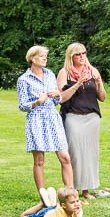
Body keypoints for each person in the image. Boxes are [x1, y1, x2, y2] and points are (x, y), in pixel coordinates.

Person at [17, 46, 74, 195]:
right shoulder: (24, 79)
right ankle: (44, 197)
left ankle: (71, 194)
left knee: (65, 157)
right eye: (42, 56)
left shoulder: (50, 74)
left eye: (45, 56)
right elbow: (22, 105)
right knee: (39, 160)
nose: (45, 58)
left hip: (53, 118)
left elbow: (56, 101)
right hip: (36, 119)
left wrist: (57, 95)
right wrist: (37, 102)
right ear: (32, 58)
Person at [57, 42, 106, 200]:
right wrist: (78, 83)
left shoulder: (92, 71)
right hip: (73, 117)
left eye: (84, 53)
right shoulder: (65, 73)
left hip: (92, 118)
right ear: (71, 56)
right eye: (78, 54)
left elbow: (102, 98)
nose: (82, 56)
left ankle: (86, 190)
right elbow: (61, 98)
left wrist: (98, 83)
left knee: (90, 154)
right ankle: (73, 189)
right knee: (75, 154)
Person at [20, 187, 88, 217]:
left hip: (55, 210)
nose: (76, 204)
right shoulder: (60, 211)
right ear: (64, 205)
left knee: (52, 207)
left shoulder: (77, 208)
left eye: (77, 201)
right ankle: (42, 204)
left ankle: (50, 204)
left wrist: (76, 214)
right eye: (72, 202)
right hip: (44, 215)